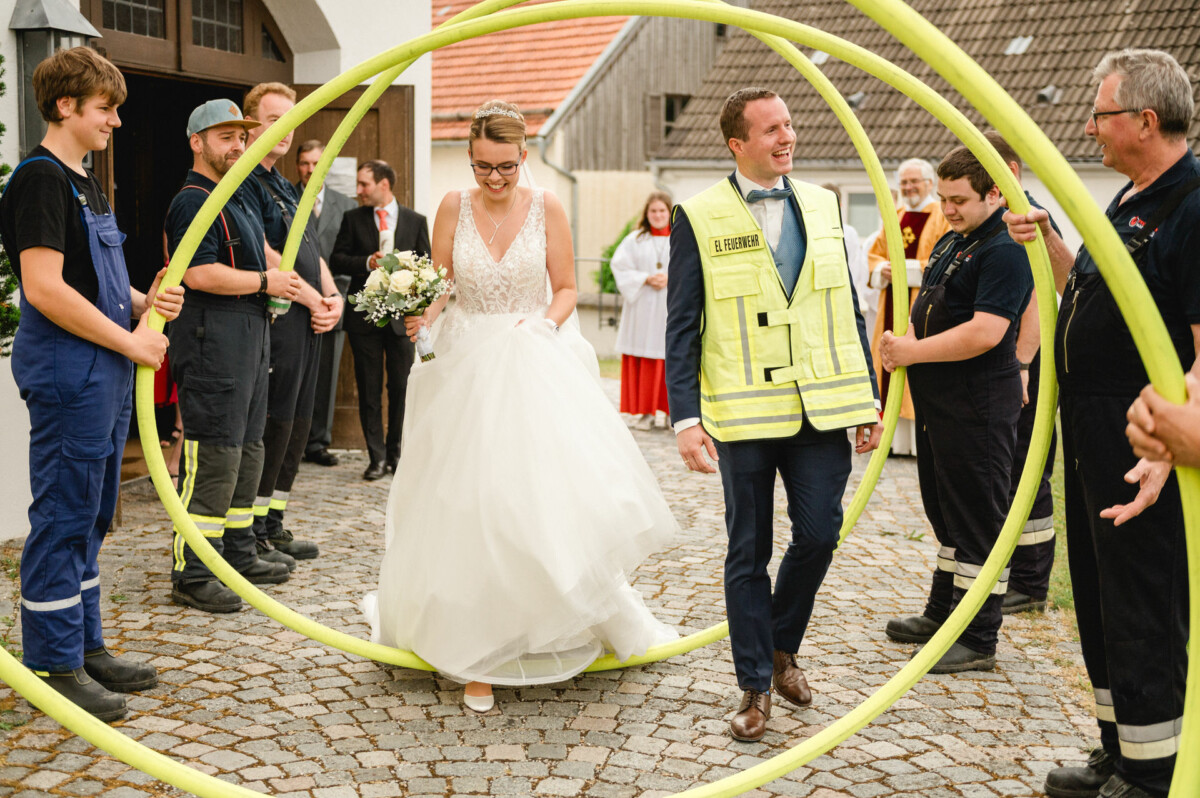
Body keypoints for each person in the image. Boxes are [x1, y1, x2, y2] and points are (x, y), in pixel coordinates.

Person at [363, 99, 677, 713]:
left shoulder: (547, 207)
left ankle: (552, 620)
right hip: (465, 362)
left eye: (505, 167)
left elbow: (566, 288)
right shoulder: (454, 206)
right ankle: (472, 647)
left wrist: (544, 324)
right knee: (466, 500)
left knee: (534, 499)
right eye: (483, 166)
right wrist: (419, 318)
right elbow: (443, 284)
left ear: (523, 158)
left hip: (533, 357)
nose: (495, 178)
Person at [1004, 49, 1200, 798]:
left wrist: (1168, 446)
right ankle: (1120, 750)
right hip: (1092, 435)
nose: (1090, 127)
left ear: (1145, 121)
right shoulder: (1124, 201)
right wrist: (1050, 241)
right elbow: (1088, 295)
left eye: (1102, 113)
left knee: (1145, 607)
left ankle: (1156, 775)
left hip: (1149, 444)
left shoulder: (1191, 204)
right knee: (1098, 600)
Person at [666, 87, 883, 742]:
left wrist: (865, 395)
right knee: (748, 551)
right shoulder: (697, 215)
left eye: (789, 125)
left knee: (820, 532)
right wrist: (684, 417)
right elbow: (683, 323)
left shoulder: (823, 203)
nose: (786, 138)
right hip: (742, 413)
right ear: (738, 144)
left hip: (821, 405)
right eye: (771, 130)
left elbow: (843, 308)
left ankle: (783, 644)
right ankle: (755, 684)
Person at [0, 47, 183, 721]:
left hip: (101, 370)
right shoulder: (40, 181)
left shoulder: (86, 180)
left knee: (95, 515)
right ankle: (52, 663)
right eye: (106, 109)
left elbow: (89, 280)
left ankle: (86, 646)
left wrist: (140, 303)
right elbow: (45, 290)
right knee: (63, 515)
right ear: (65, 106)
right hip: (68, 371)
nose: (116, 122)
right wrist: (134, 340)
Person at [880, 144, 1033, 673]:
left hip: (978, 406)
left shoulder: (1006, 248)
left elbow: (986, 333)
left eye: (959, 199)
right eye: (944, 198)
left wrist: (912, 351)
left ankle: (978, 637)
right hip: (942, 404)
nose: (947, 209)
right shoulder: (956, 239)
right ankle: (942, 614)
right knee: (946, 514)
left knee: (976, 520)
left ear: (995, 192)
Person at [164, 98, 303, 612]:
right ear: (197, 143)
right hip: (211, 337)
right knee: (216, 453)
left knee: (248, 447)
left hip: (247, 331)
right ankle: (194, 572)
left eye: (242, 136)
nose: (239, 145)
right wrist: (268, 280)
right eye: (225, 136)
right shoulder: (192, 199)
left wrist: (271, 289)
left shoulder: (239, 195)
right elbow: (198, 273)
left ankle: (238, 552)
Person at [241, 84, 342, 565]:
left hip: (308, 317)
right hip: (278, 317)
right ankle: (254, 529)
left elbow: (311, 249)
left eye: (290, 119)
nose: (283, 129)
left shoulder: (284, 183)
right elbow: (262, 251)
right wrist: (307, 295)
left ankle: (275, 522)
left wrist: (333, 296)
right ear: (251, 123)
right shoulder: (245, 182)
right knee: (276, 421)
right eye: (272, 118)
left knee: (301, 421)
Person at [982, 131, 1059, 616]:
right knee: (1016, 472)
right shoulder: (1006, 217)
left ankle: (1030, 584)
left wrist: (1023, 366)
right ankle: (1022, 577)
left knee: (1028, 472)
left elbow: (1037, 298)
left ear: (1008, 173)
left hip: (1026, 362)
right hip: (1018, 362)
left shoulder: (1025, 219)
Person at [330, 161, 429, 480]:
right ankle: (376, 457)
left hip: (403, 322)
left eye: (364, 185)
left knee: (400, 387)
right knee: (369, 389)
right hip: (365, 321)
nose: (358, 191)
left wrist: (415, 305)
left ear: (384, 184)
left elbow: (425, 268)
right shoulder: (352, 219)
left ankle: (396, 455)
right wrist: (366, 262)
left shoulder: (416, 221)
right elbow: (337, 259)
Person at [867, 159, 950, 455]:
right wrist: (882, 270)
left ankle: (918, 445)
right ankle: (891, 441)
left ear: (929, 183)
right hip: (891, 304)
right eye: (904, 183)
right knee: (888, 368)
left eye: (914, 181)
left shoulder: (942, 215)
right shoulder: (896, 215)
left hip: (922, 307)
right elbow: (874, 255)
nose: (908, 187)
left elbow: (945, 258)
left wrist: (908, 269)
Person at [295, 139, 356, 468]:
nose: (309, 170)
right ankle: (290, 441)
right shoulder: (283, 198)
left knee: (327, 376)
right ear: (297, 166)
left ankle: (318, 442)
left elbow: (348, 255)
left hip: (333, 302)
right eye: (304, 163)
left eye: (316, 163)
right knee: (292, 375)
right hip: (292, 300)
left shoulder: (346, 205)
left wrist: (336, 298)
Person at [611, 190, 672, 430]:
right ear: (647, 214)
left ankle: (670, 414)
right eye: (653, 211)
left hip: (670, 308)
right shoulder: (635, 240)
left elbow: (693, 267)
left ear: (669, 212)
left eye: (662, 210)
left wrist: (670, 277)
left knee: (670, 359)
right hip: (643, 310)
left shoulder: (680, 237)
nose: (658, 215)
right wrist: (646, 278)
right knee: (644, 358)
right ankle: (644, 413)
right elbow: (620, 266)